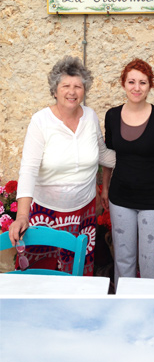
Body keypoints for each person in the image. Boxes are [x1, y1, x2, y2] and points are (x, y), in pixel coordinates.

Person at [8, 56, 116, 274]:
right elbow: (28, 170)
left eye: (78, 86)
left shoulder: (90, 117)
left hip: (83, 213)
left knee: (77, 273)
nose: (72, 91)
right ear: (55, 90)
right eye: (65, 85)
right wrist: (21, 215)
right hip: (46, 214)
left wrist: (140, 156)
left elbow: (103, 155)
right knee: (43, 276)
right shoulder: (41, 121)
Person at [102, 59, 154, 286]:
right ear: (123, 84)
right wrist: (105, 188)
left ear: (150, 85)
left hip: (153, 200)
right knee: (123, 259)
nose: (137, 87)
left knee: (150, 262)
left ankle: (149, 307)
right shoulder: (112, 116)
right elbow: (108, 156)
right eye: (131, 81)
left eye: (142, 82)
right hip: (120, 197)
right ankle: (124, 303)